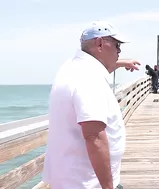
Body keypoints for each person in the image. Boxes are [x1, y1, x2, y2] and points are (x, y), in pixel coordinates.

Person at [42, 20, 140, 189]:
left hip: (74, 179)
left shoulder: (74, 67)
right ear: (100, 44)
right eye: (117, 46)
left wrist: (122, 63)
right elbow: (94, 136)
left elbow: (100, 68)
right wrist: (108, 187)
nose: (119, 51)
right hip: (88, 183)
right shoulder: (88, 79)